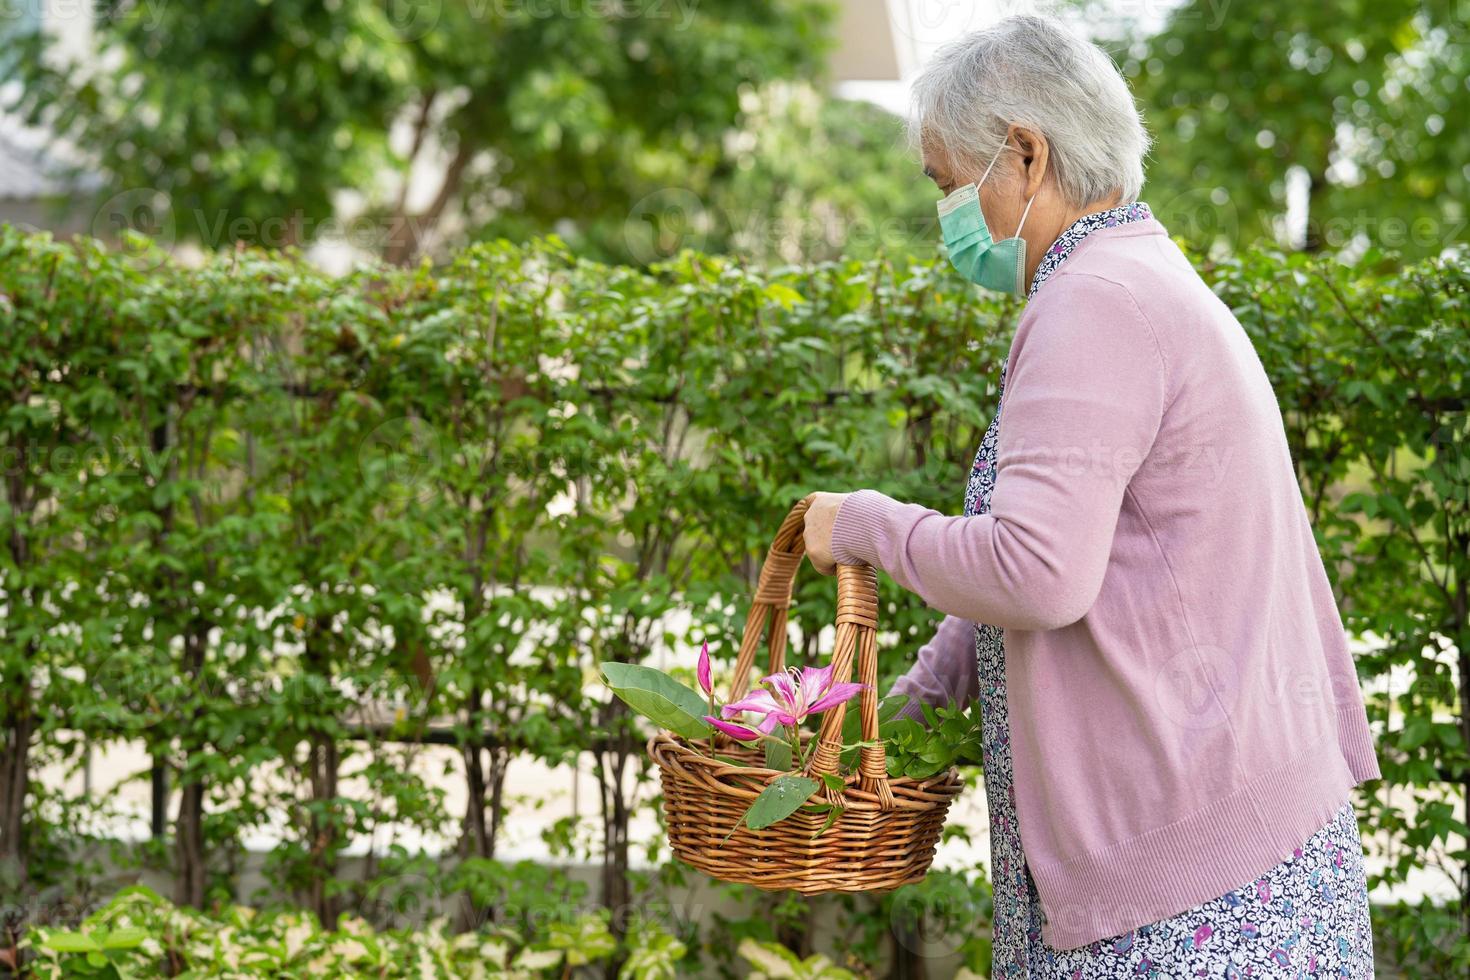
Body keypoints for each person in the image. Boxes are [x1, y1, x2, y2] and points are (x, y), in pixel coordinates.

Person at [801, 14, 1381, 979]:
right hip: (1233, 846)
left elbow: (1036, 574)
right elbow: (1071, 546)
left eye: (950, 185)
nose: (948, 214)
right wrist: (922, 695)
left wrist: (864, 522)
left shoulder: (1094, 303)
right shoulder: (1135, 276)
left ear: (1024, 155)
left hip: (1193, 895)